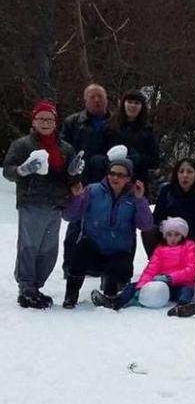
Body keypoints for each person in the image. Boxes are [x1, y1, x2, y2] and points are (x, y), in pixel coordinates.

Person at [3, 100, 82, 308]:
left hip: (56, 204)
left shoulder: (65, 148)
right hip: (32, 202)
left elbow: (70, 179)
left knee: (49, 249)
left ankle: (36, 286)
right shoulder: (22, 145)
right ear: (34, 121)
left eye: (50, 119)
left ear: (56, 122)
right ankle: (26, 287)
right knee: (29, 246)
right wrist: (22, 170)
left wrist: (74, 174)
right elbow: (8, 170)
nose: (46, 123)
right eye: (41, 118)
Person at [61, 155, 153, 308]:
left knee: (120, 261)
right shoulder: (92, 190)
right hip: (93, 249)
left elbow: (146, 225)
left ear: (128, 178)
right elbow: (69, 216)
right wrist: (76, 198)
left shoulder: (133, 197)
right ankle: (70, 296)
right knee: (81, 249)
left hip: (119, 252)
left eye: (120, 175)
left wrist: (140, 200)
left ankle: (110, 296)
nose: (115, 178)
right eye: (112, 173)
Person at [90, 217, 195, 318]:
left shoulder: (189, 246)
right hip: (161, 286)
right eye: (169, 235)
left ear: (183, 235)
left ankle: (182, 307)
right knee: (132, 286)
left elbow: (191, 269)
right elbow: (151, 269)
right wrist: (142, 285)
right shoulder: (160, 250)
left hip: (180, 284)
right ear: (165, 236)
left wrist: (170, 277)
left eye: (176, 235)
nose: (173, 238)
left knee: (186, 291)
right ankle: (115, 302)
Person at [60, 84, 114, 287]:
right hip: (80, 181)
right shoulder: (74, 122)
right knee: (77, 224)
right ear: (85, 100)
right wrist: (70, 178)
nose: (97, 100)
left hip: (108, 181)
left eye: (101, 97)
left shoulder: (115, 122)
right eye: (93, 97)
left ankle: (98, 266)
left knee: (104, 223)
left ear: (107, 99)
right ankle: (71, 266)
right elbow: (63, 150)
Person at [144, 158, 195, 255]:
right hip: (169, 235)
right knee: (148, 231)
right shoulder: (167, 191)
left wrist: (186, 241)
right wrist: (171, 232)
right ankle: (156, 262)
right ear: (176, 174)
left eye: (189, 172)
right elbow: (157, 219)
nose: (185, 175)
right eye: (181, 172)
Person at [105, 89, 159, 188]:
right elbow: (99, 151)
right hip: (112, 179)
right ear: (123, 104)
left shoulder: (147, 130)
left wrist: (139, 159)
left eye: (137, 103)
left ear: (141, 107)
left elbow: (155, 160)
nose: (133, 106)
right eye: (129, 102)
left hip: (137, 181)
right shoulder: (110, 126)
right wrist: (108, 160)